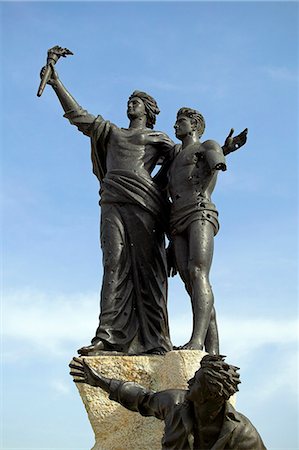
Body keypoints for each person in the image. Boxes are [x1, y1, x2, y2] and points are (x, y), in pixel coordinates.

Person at [41, 64, 174, 355]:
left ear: (148, 109)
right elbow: (78, 116)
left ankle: (156, 339)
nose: (130, 104)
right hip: (112, 200)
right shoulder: (111, 132)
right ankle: (107, 336)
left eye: (136, 101)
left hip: (144, 203)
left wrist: (220, 151)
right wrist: (55, 81)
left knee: (149, 269)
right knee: (113, 264)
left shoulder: (159, 139)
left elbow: (185, 164)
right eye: (129, 100)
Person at [166, 108, 247, 353]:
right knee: (190, 282)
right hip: (177, 221)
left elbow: (214, 157)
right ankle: (213, 350)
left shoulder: (206, 145)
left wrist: (223, 153)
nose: (175, 126)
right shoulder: (175, 156)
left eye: (180, 122)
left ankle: (197, 340)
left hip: (199, 212)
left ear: (194, 125)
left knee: (197, 271)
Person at [69, 354, 266, 450]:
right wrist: (100, 381)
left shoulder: (244, 434)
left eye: (195, 381)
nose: (189, 382)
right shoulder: (175, 403)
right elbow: (142, 398)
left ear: (209, 395)